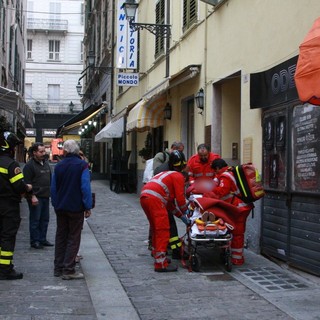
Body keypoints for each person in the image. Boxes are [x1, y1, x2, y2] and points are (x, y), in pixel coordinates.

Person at [140, 150, 190, 272]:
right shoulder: (178, 176)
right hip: (155, 199)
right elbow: (180, 199)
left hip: (145, 197)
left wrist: (181, 216)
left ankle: (159, 257)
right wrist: (187, 212)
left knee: (156, 229)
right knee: (162, 230)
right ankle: (161, 264)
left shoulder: (167, 174)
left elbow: (170, 206)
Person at [51, 140, 92, 280]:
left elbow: (53, 188)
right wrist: (88, 206)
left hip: (61, 207)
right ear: (76, 151)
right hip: (75, 207)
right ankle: (68, 269)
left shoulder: (59, 166)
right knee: (74, 237)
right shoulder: (82, 165)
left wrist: (56, 204)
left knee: (61, 236)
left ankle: (58, 267)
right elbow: (85, 187)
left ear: (65, 151)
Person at [204, 158, 253, 265]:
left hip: (239, 208)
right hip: (243, 206)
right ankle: (237, 256)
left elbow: (222, 191)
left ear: (217, 168)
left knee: (237, 232)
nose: (215, 173)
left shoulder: (225, 176)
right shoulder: (230, 172)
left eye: (215, 170)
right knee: (238, 232)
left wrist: (208, 193)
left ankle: (237, 258)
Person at [0, 131, 32, 280]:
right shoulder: (11, 164)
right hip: (8, 206)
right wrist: (28, 188)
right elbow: (19, 186)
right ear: (11, 148)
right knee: (7, 236)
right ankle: (5, 269)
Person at [23, 142, 53, 249]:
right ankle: (35, 241)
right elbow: (27, 183)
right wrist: (32, 196)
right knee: (35, 220)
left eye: (44, 151)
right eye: (41, 151)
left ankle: (42, 239)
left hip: (45, 195)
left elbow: (50, 178)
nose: (43, 153)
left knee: (45, 219)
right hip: (36, 196)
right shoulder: (29, 166)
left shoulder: (45, 163)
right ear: (34, 152)